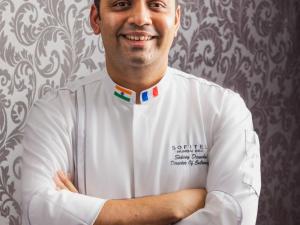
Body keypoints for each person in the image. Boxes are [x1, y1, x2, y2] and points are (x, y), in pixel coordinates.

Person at [21, 0, 261, 224]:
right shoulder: (54, 112)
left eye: (156, 4)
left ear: (176, 19)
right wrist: (175, 206)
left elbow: (233, 215)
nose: (140, 18)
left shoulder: (223, 109)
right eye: (121, 4)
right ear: (96, 19)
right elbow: (38, 210)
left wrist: (86, 214)